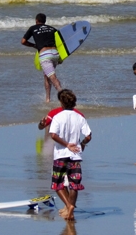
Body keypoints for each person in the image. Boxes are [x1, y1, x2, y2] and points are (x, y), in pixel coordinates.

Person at [48, 89, 92, 221]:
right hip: (75, 156)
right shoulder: (79, 117)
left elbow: (53, 135)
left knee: (58, 184)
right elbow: (89, 136)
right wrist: (82, 144)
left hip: (61, 155)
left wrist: (66, 144)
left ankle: (69, 206)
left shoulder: (58, 117)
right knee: (74, 184)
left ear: (61, 102)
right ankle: (70, 209)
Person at [22, 13, 63, 102]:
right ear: (45, 21)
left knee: (53, 78)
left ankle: (63, 97)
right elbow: (60, 42)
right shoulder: (52, 28)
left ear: (36, 21)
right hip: (55, 54)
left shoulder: (33, 28)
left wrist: (34, 46)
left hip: (45, 55)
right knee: (47, 76)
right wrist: (60, 58)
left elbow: (23, 41)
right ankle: (47, 99)